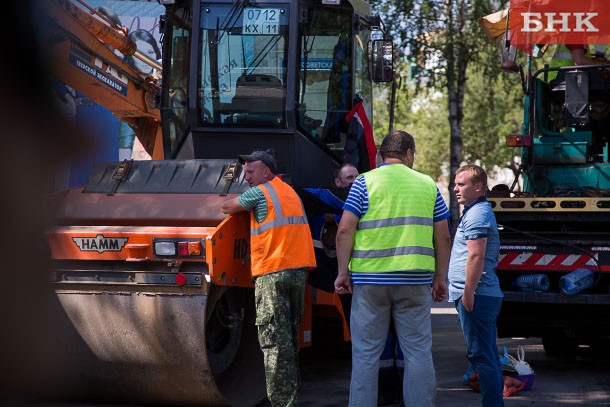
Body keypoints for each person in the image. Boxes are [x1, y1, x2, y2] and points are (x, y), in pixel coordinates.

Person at [334, 130, 452, 407]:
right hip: (415, 282)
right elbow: (443, 237)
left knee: (365, 355)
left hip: (370, 282)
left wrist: (342, 272)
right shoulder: (427, 184)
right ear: (409, 154)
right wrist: (440, 278)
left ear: (379, 155)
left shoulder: (364, 183)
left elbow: (344, 230)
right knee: (418, 352)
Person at [221, 149, 316, 407]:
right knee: (289, 340)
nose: (246, 177)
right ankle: (292, 399)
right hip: (297, 273)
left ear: (266, 171)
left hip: (272, 273)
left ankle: (281, 403)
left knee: (274, 342)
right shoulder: (289, 192)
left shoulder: (261, 192)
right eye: (244, 172)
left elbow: (227, 206)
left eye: (251, 172)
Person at [448, 164, 504, 407]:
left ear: (478, 187)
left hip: (477, 294)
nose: (455, 189)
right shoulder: (474, 211)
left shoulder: (478, 213)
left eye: (461, 184)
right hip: (478, 294)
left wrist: (468, 291)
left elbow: (476, 256)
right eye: (455, 184)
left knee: (482, 356)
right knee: (486, 355)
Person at [297, 163, 358, 326]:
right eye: (350, 178)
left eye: (357, 177)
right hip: (332, 271)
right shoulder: (334, 198)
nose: (354, 181)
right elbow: (306, 195)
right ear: (338, 183)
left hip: (357, 271)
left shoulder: (360, 198)